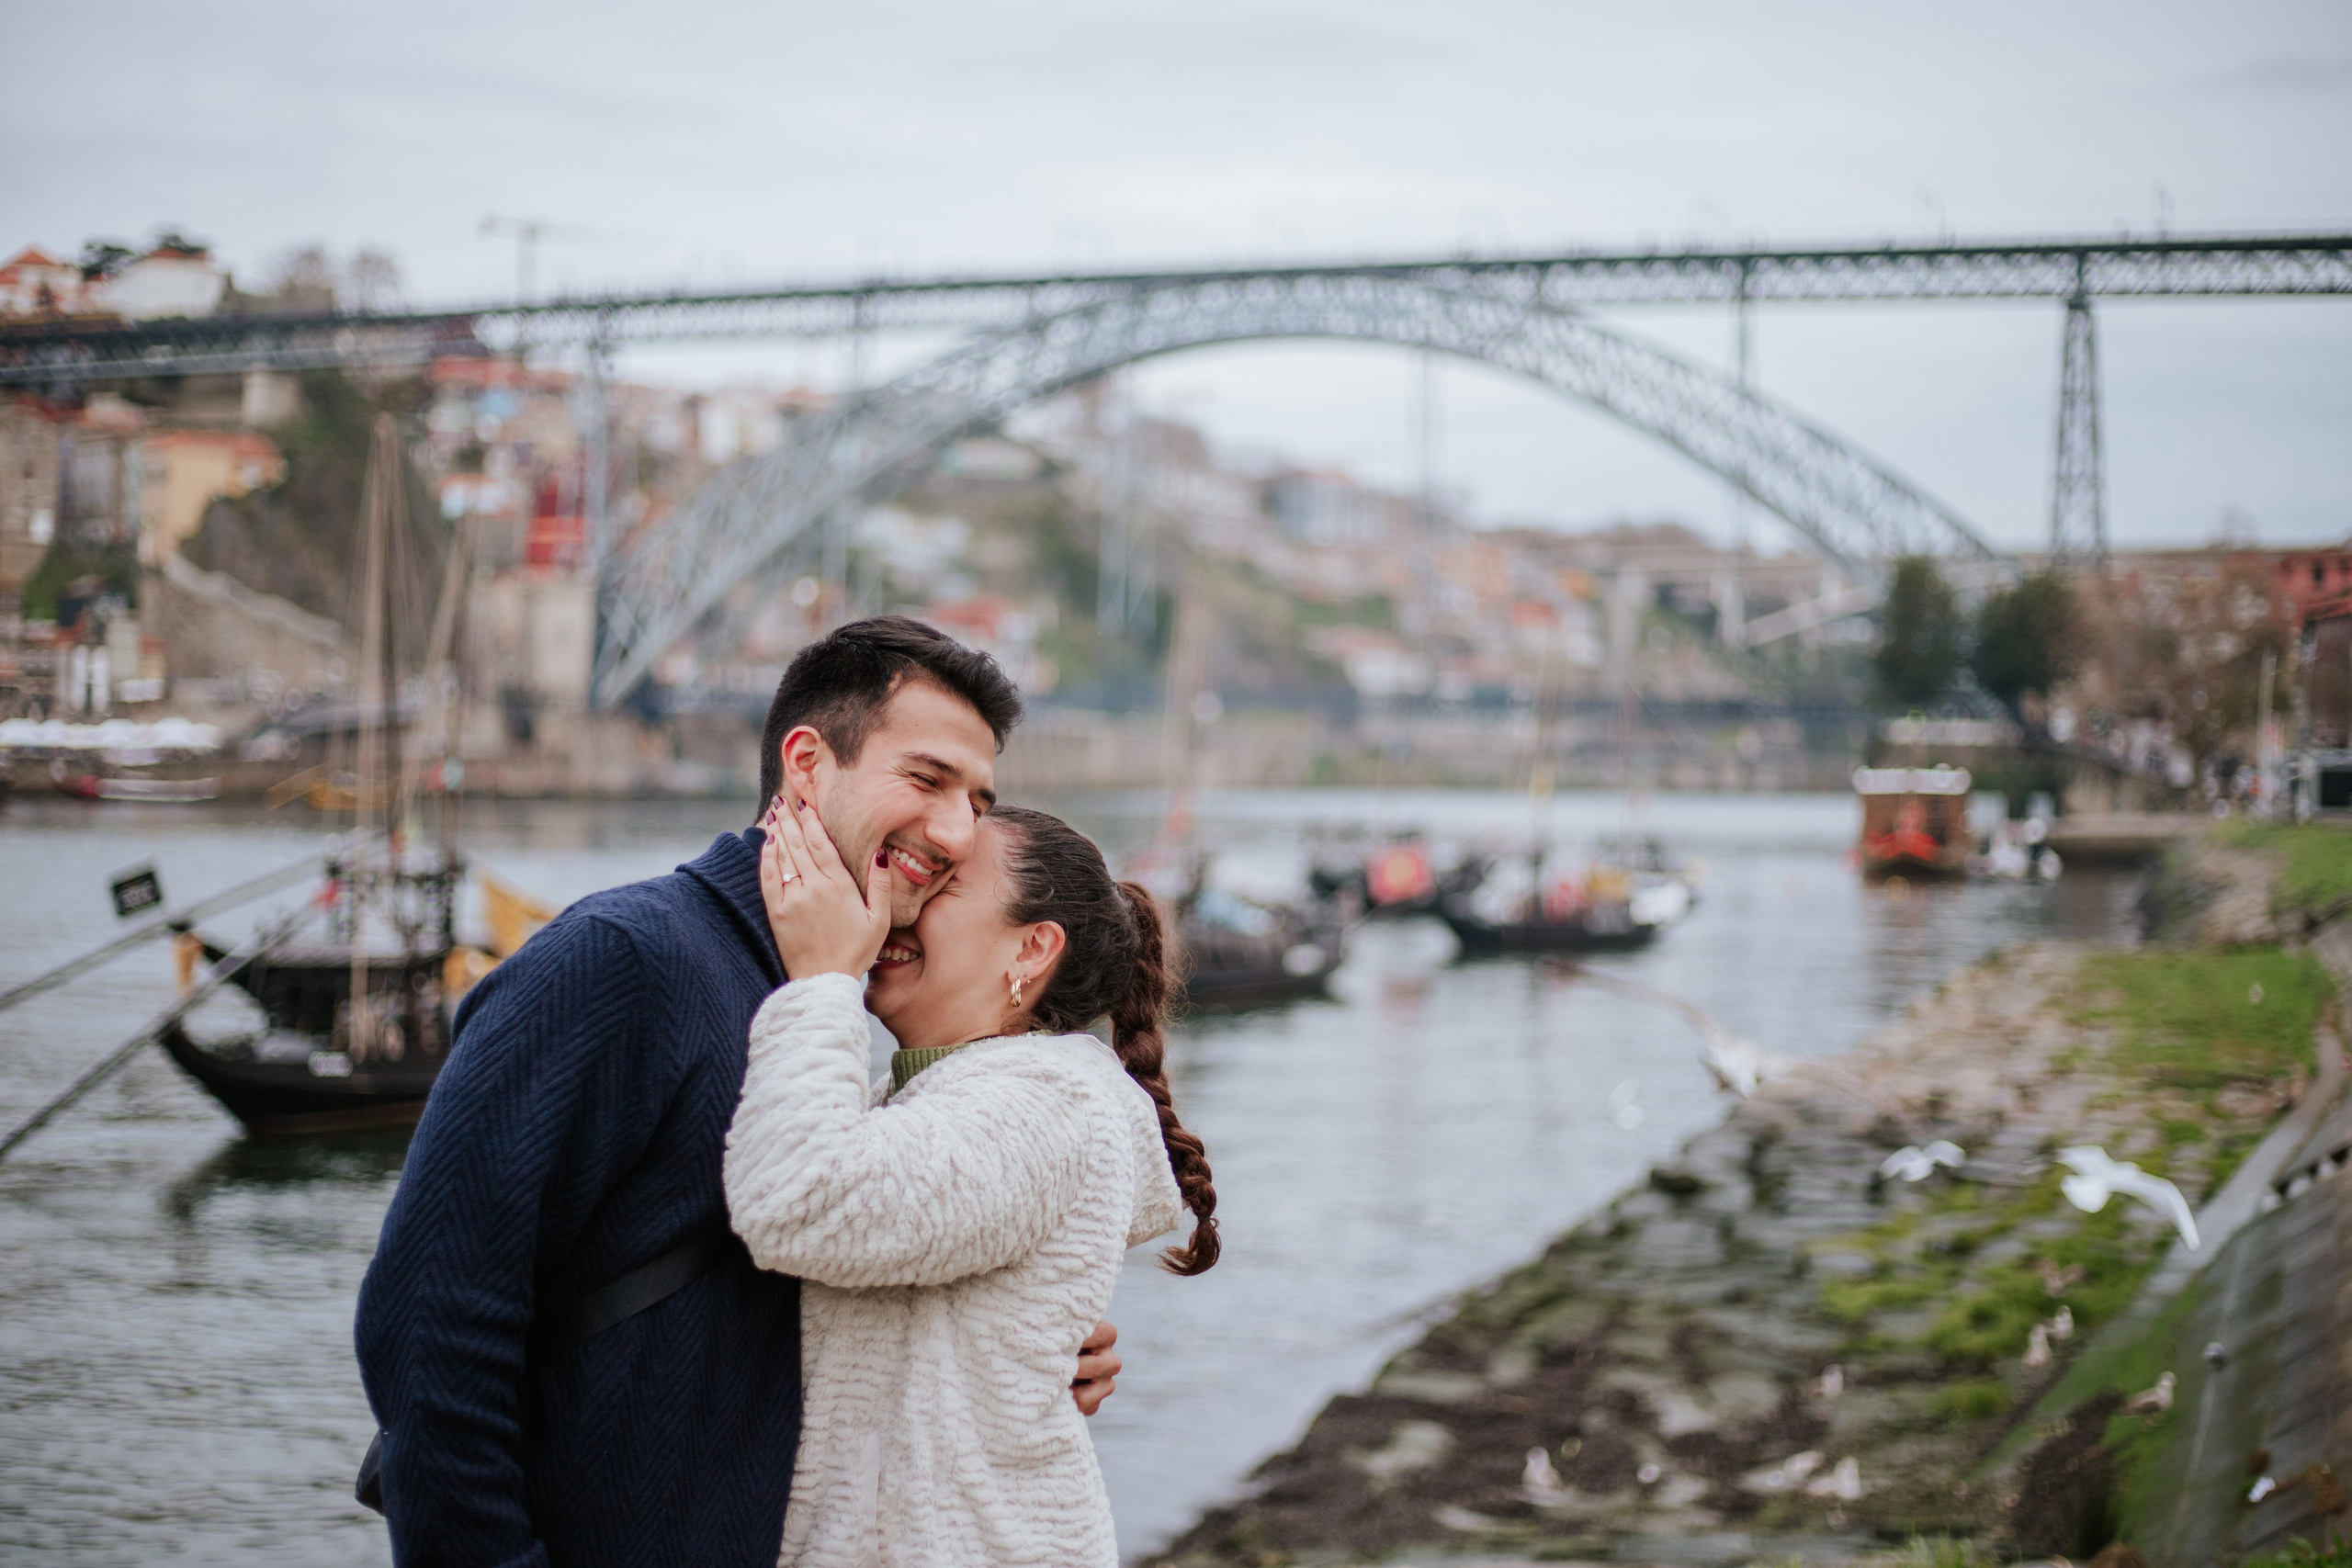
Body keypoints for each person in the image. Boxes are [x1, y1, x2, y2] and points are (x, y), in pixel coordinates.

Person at [353, 617, 1124, 1568]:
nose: (958, 830)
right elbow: (429, 1322)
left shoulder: (834, 1003)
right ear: (806, 764)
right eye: (925, 781)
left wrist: (997, 1340)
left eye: (978, 797)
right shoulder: (621, 961)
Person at [726, 795, 1219, 1566]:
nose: (894, 902)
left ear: (1031, 950)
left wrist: (821, 978)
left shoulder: (1042, 1106)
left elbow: (804, 1201)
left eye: (940, 883)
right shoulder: (948, 1099)